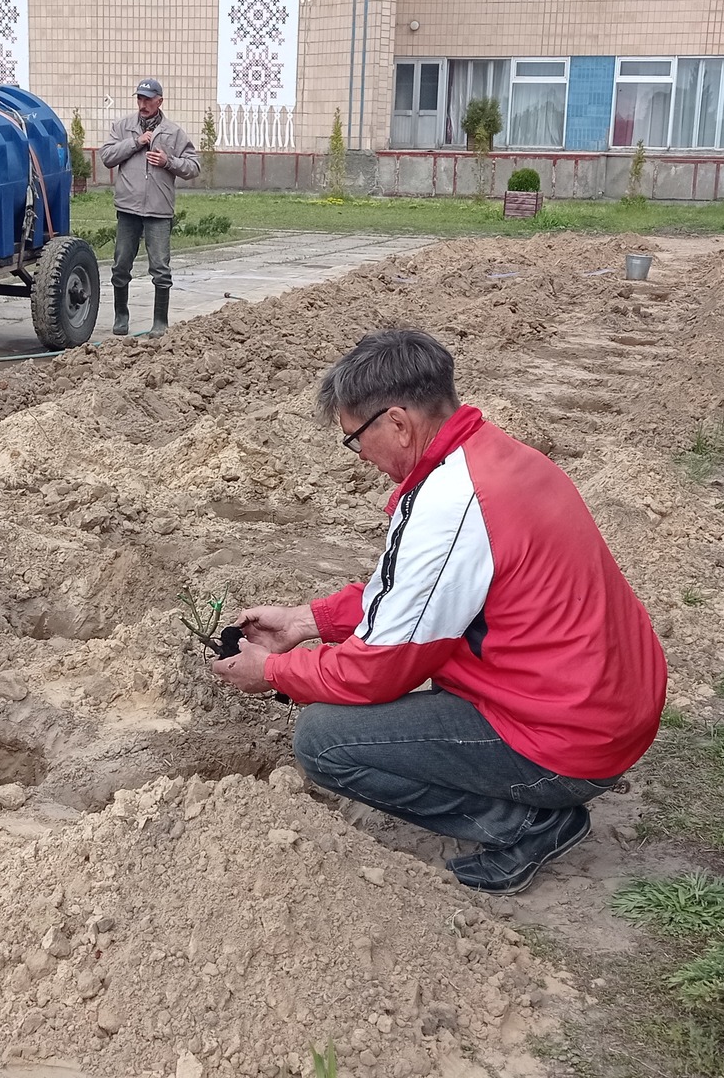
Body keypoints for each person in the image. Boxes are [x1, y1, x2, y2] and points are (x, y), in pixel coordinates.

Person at [210, 330, 668, 895]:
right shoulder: (489, 458)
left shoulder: (452, 504)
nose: (360, 457)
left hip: (570, 739)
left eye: (355, 439)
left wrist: (275, 672)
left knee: (323, 740)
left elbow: (377, 670)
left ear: (397, 423)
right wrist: (305, 621)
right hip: (603, 707)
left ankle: (530, 823)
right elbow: (415, 595)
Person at [100, 78, 200, 338]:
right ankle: (121, 316)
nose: (142, 104)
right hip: (128, 208)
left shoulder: (174, 133)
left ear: (160, 101)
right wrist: (136, 142)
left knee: (160, 268)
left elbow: (194, 167)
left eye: (148, 99)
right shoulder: (123, 127)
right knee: (121, 265)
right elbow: (107, 157)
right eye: (139, 99)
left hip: (159, 210)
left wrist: (169, 162)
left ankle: (160, 321)